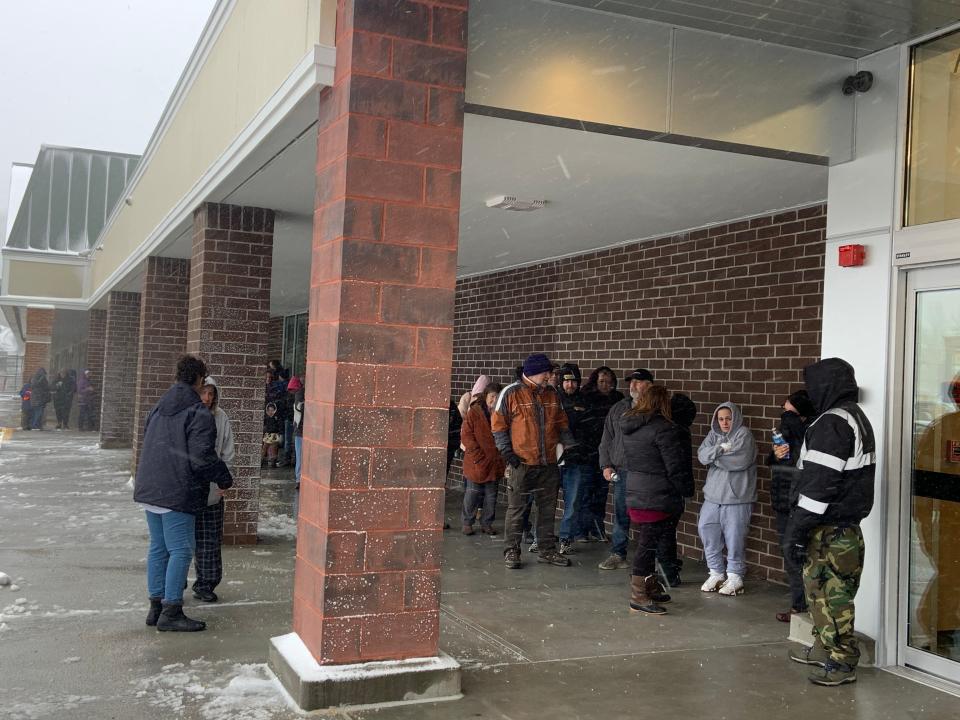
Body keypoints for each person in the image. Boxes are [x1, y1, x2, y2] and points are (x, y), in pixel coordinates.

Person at [785, 358, 875, 687]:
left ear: (826, 386)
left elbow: (819, 486)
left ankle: (840, 661)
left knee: (828, 595)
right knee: (825, 594)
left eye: (813, 386)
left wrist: (797, 531)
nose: (810, 392)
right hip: (844, 527)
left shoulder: (832, 423)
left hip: (828, 530)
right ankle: (826, 646)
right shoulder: (854, 417)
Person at [134, 355, 233, 632]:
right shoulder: (196, 412)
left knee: (158, 547)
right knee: (181, 549)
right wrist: (224, 478)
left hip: (150, 487)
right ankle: (172, 610)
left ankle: (155, 607)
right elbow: (202, 456)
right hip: (176, 490)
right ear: (199, 379)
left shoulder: (158, 407)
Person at [493, 353, 577, 569]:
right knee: (517, 509)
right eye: (547, 372)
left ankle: (547, 550)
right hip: (521, 461)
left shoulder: (552, 394)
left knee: (548, 508)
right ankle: (512, 550)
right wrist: (508, 454)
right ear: (535, 373)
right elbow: (498, 426)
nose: (550, 376)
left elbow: (562, 422)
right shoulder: (510, 393)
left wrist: (569, 446)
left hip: (548, 462)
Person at [620, 385, 692, 614]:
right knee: (647, 544)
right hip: (658, 493)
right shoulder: (664, 429)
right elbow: (674, 465)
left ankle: (647, 585)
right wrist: (685, 488)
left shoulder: (631, 426)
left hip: (636, 490)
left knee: (647, 541)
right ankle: (639, 594)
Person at [697, 402, 757, 596]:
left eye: (728, 418)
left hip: (737, 497)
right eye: (721, 419)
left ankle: (735, 576)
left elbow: (739, 461)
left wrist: (713, 456)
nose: (724, 422)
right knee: (707, 532)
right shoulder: (713, 435)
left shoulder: (744, 434)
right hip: (713, 496)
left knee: (735, 537)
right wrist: (720, 450)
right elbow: (701, 455)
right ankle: (716, 572)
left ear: (735, 418)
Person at [598, 368, 655, 570]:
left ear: (649, 385)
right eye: (631, 382)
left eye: (638, 382)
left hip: (647, 473)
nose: (633, 385)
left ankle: (650, 558)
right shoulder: (618, 408)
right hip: (622, 471)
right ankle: (618, 553)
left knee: (649, 516)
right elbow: (606, 439)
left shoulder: (655, 410)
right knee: (622, 513)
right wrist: (606, 464)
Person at [770, 390, 816, 622]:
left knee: (793, 552)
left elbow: (799, 457)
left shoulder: (805, 428)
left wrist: (789, 418)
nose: (783, 407)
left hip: (793, 499)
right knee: (791, 553)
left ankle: (802, 605)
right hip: (785, 496)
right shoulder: (792, 429)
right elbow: (781, 458)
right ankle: (801, 603)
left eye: (787, 406)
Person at [192, 376, 235, 603]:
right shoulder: (187, 415)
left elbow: (228, 452)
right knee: (183, 542)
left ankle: (206, 583)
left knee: (210, 540)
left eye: (211, 394)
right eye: (203, 393)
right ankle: (175, 582)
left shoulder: (221, 418)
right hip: (188, 490)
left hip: (212, 489)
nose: (207, 398)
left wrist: (223, 481)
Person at [581, 366, 625, 541]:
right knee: (586, 493)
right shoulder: (587, 398)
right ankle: (582, 530)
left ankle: (597, 528)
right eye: (601, 382)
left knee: (601, 493)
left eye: (609, 382)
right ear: (595, 382)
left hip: (609, 454)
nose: (606, 385)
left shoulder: (618, 400)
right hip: (589, 453)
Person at [658, 392, 697, 586]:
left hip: (661, 488)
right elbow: (679, 466)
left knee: (664, 532)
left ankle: (668, 568)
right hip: (671, 490)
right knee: (666, 532)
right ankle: (668, 571)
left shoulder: (665, 429)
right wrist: (687, 490)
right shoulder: (678, 432)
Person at [556, 363, 595, 554]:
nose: (570, 385)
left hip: (577, 460)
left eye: (574, 381)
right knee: (545, 502)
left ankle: (566, 538)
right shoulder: (552, 400)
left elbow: (591, 431)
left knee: (572, 502)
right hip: (553, 460)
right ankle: (542, 539)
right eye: (566, 381)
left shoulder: (586, 402)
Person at [460, 382, 505, 535]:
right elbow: (466, 435)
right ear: (486, 396)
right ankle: (467, 522)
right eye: (492, 396)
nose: (494, 400)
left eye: (497, 397)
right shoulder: (474, 412)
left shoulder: (502, 413)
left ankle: (487, 523)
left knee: (491, 496)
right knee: (472, 493)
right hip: (477, 461)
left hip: (494, 461)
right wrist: (477, 455)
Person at [292, 378, 305, 488]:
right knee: (300, 455)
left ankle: (298, 478)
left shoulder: (299, 394)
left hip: (300, 430)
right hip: (301, 430)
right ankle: (298, 478)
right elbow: (299, 410)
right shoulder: (301, 394)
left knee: (300, 455)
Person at [262, 402, 283, 467]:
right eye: (269, 410)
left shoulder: (276, 418)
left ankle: (273, 462)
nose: (271, 412)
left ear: (274, 410)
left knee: (274, 449)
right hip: (267, 435)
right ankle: (261, 461)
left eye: (272, 410)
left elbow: (280, 426)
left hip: (274, 435)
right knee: (264, 448)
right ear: (267, 410)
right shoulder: (266, 418)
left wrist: (280, 434)